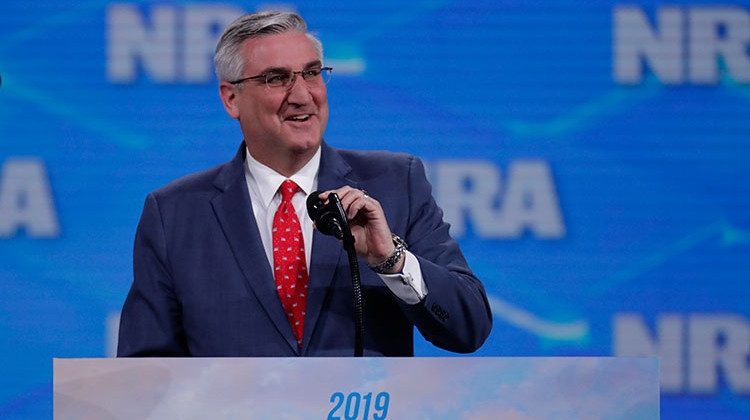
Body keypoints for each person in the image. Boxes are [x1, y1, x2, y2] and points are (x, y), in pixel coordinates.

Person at [117, 11, 492, 357]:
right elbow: (145, 371)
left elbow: (469, 326)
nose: (302, 95)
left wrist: (390, 260)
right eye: (277, 78)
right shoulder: (175, 213)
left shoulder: (396, 182)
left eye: (312, 73)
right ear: (232, 99)